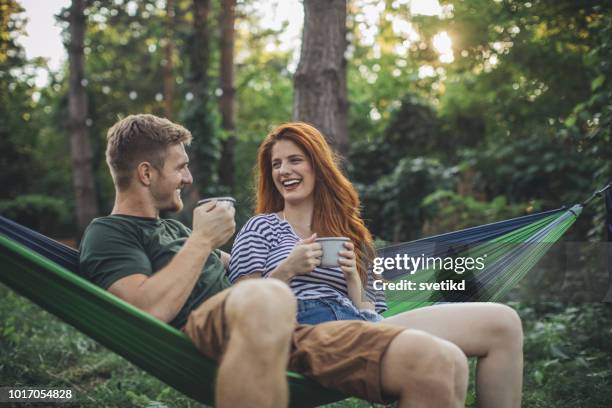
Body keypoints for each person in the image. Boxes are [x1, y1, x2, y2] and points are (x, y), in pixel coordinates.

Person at [79, 114, 470, 408]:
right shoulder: (109, 233)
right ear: (146, 173)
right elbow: (147, 309)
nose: (188, 177)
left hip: (292, 333)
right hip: (223, 328)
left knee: (438, 359)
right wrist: (202, 241)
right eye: (181, 167)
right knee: (268, 297)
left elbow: (240, 266)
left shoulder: (176, 234)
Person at [229, 121, 523, 408]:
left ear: (318, 166)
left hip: (359, 325)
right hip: (305, 332)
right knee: (444, 360)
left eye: (295, 160)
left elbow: (372, 313)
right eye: (276, 164)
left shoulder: (353, 236)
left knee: (503, 323)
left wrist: (353, 279)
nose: (284, 171)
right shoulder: (261, 227)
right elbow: (241, 305)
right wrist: (288, 269)